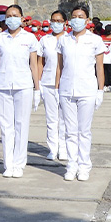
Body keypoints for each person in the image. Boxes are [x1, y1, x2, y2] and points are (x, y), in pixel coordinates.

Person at [0, 4, 41, 178]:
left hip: (24, 85)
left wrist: (37, 88)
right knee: (6, 126)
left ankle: (19, 164)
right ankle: (8, 164)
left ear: (21, 18)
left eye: (15, 15)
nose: (12, 18)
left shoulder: (30, 38)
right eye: (8, 15)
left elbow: (34, 65)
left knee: (21, 124)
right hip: (3, 85)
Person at [55, 4, 106, 181]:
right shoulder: (63, 40)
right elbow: (59, 67)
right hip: (67, 90)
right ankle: (71, 165)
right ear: (70, 20)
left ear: (87, 20)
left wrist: (100, 90)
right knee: (70, 131)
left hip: (87, 90)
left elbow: (100, 68)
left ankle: (84, 166)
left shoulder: (95, 41)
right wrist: (56, 88)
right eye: (74, 17)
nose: (77, 20)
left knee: (84, 131)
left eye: (81, 16)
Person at [36, 11, 69, 162]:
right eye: (53, 21)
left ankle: (63, 149)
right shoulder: (45, 40)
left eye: (59, 21)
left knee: (64, 119)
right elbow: (40, 63)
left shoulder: (69, 39)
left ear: (65, 22)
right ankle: (52, 148)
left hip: (65, 84)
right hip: (48, 83)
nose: (56, 23)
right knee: (51, 118)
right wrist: (38, 84)